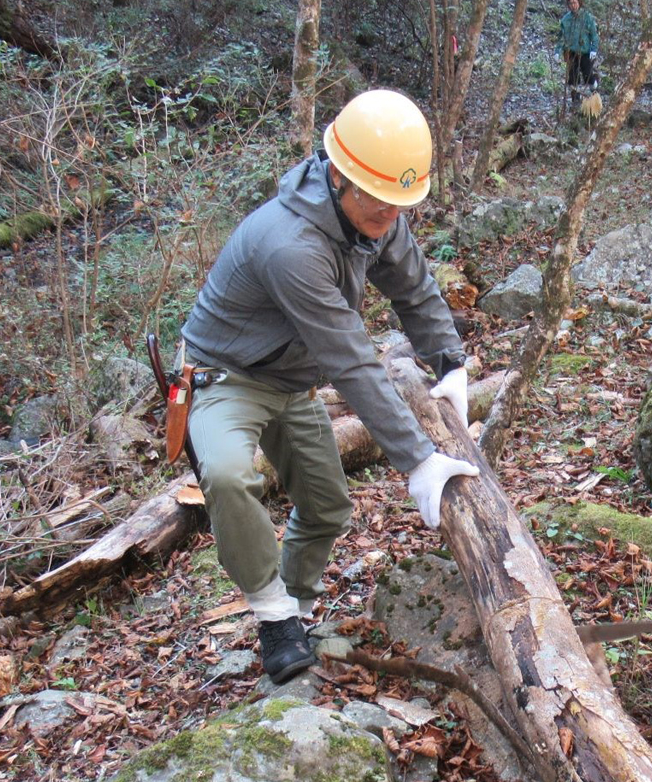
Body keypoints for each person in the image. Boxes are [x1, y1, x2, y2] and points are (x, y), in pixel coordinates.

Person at [180, 89, 478, 686]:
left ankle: (296, 605)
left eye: (399, 204)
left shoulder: (377, 214)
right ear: (339, 176)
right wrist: (418, 460)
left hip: (291, 378)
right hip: (226, 376)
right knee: (229, 476)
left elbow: (414, 291)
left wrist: (450, 363)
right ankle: (271, 615)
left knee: (327, 506)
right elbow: (352, 360)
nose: (391, 217)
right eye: (380, 203)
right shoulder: (290, 245)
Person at [557, 0, 599, 95]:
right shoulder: (565, 19)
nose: (573, 6)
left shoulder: (587, 17)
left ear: (579, 3)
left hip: (585, 52)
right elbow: (561, 37)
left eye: (575, 2)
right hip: (570, 52)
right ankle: (575, 100)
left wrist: (593, 50)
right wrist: (557, 51)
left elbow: (594, 36)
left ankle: (594, 95)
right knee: (573, 78)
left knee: (588, 75)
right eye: (570, 3)